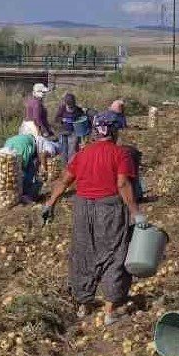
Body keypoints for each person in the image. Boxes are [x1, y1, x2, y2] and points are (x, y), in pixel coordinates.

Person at [41, 113, 142, 326]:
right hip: (110, 208)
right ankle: (109, 311)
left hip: (82, 208)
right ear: (113, 131)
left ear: (95, 131)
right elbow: (123, 184)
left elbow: (65, 180)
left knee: (83, 252)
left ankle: (83, 304)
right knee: (115, 253)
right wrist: (135, 212)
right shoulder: (121, 154)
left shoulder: (82, 153)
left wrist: (50, 203)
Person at [20, 84, 59, 176]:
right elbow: (37, 119)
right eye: (43, 92)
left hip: (26, 126)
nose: (45, 95)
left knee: (30, 147)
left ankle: (30, 169)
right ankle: (37, 170)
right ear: (39, 93)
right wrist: (44, 131)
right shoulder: (37, 103)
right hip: (34, 127)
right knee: (38, 149)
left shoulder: (30, 100)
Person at [0, 132, 42, 202]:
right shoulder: (32, 144)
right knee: (23, 169)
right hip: (21, 147)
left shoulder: (25, 137)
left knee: (7, 170)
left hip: (7, 144)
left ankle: (7, 192)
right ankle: (24, 194)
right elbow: (25, 164)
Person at [55, 92, 85, 164]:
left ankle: (71, 166)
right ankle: (64, 166)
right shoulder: (62, 108)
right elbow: (56, 119)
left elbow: (83, 118)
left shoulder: (78, 109)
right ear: (65, 103)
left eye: (71, 106)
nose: (70, 107)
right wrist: (63, 119)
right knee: (63, 150)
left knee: (72, 150)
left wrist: (78, 120)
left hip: (73, 132)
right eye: (68, 106)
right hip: (63, 131)